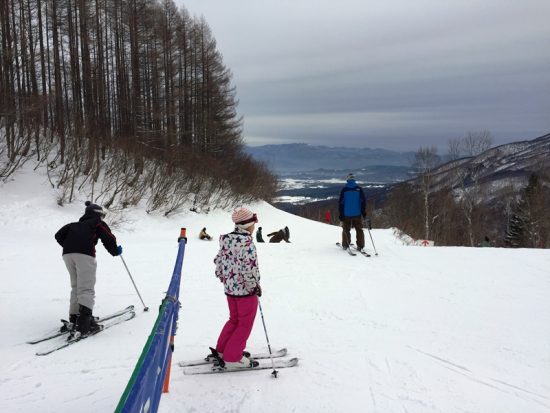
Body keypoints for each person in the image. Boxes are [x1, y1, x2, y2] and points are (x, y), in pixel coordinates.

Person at [54, 201, 122, 336]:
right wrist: (115, 251)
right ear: (98, 214)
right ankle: (85, 323)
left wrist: (70, 245)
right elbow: (108, 237)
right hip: (85, 255)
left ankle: (74, 318)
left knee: (76, 286)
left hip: (68, 255)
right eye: (102, 215)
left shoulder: (73, 225)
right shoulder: (97, 223)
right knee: (86, 287)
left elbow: (58, 235)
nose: (103, 218)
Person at [211, 207, 262, 368]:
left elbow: (218, 260)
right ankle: (233, 357)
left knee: (234, 320)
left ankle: (222, 350)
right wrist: (254, 286)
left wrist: (223, 277)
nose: (255, 226)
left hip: (230, 289)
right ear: (248, 225)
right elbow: (249, 268)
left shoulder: (226, 240)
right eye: (254, 223)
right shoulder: (247, 243)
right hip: (245, 292)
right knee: (244, 324)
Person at [338, 173, 366, 251]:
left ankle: (345, 244)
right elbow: (363, 202)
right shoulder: (359, 189)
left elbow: (341, 203)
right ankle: (360, 245)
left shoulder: (344, 190)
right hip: (357, 214)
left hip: (346, 214)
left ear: (347, 179)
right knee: (359, 229)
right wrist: (363, 212)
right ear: (354, 179)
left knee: (346, 229)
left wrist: (341, 213)